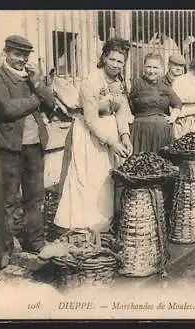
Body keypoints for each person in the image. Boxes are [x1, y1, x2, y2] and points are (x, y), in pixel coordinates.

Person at [0, 35, 56, 257]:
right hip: (9, 148)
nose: (22, 59)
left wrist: (36, 84)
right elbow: (8, 108)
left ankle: (35, 241)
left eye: (25, 55)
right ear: (5, 53)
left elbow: (51, 102)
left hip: (34, 146)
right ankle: (3, 249)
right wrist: (37, 99)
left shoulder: (30, 78)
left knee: (34, 197)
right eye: (17, 54)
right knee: (9, 199)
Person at [54, 38, 133, 233]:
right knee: (90, 178)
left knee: (107, 178)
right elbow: (91, 119)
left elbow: (122, 110)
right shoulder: (90, 82)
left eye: (120, 62)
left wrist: (125, 136)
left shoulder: (119, 83)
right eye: (112, 59)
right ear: (104, 57)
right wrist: (111, 141)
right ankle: (84, 227)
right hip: (90, 134)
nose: (115, 65)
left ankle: (103, 224)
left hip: (111, 130)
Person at [129, 53, 182, 153]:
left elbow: (177, 103)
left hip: (162, 133)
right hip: (141, 132)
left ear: (161, 69)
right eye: (148, 67)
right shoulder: (135, 83)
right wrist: (128, 115)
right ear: (143, 67)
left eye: (155, 67)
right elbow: (124, 102)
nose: (151, 70)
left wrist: (173, 117)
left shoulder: (165, 86)